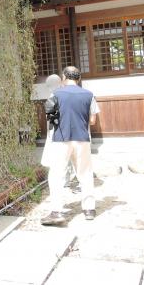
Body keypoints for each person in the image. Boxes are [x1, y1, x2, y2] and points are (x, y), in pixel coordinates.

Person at [41, 66, 100, 225]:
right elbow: (93, 120)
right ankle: (89, 209)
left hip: (61, 138)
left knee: (57, 175)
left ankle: (56, 212)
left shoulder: (56, 94)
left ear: (64, 77)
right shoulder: (89, 95)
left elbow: (50, 117)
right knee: (85, 173)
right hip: (82, 138)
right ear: (79, 78)